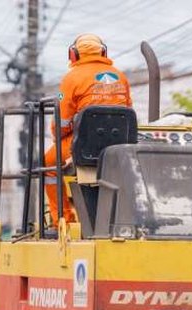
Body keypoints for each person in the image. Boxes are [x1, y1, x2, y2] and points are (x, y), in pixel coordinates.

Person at [43, 33, 133, 225]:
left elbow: (62, 123)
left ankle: (63, 220)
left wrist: (58, 138)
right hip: (120, 146)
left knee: (49, 165)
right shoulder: (121, 77)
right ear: (103, 52)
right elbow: (128, 112)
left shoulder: (71, 79)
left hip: (84, 144)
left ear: (74, 55)